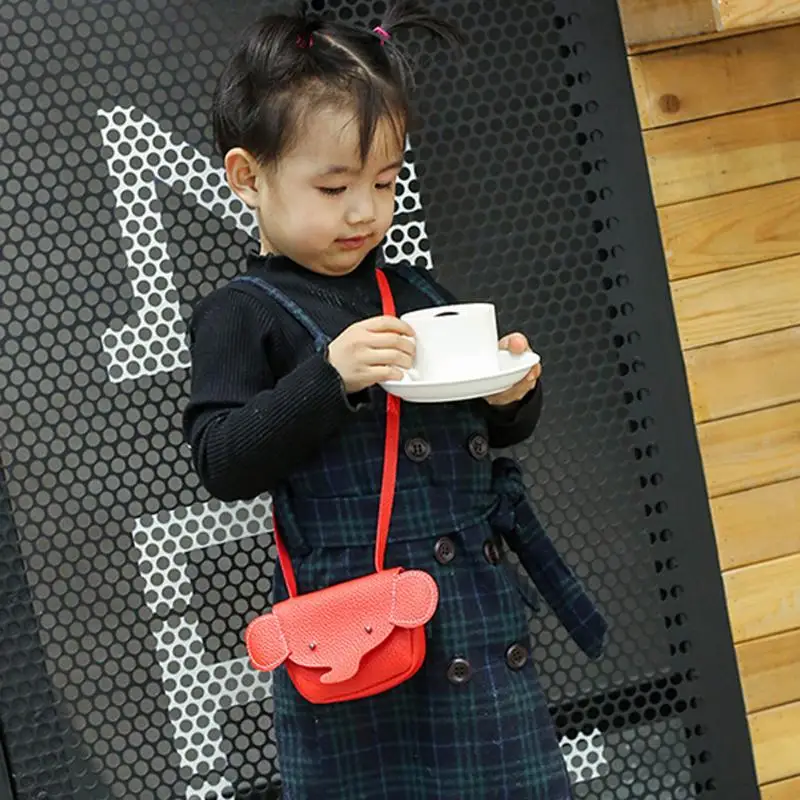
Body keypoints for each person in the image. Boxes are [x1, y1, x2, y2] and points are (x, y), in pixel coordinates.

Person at [183, 2, 608, 798]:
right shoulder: (242, 313)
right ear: (247, 176)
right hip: (357, 634)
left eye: (384, 182)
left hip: (473, 615)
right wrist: (329, 377)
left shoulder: (414, 291)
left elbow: (484, 434)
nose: (364, 211)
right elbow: (222, 459)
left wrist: (509, 395)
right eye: (333, 186)